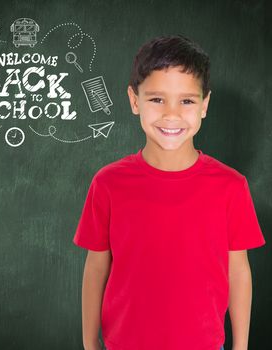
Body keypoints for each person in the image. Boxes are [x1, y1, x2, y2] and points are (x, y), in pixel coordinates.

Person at [72, 34, 266, 350]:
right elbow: (96, 267)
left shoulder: (231, 186)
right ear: (135, 101)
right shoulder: (108, 183)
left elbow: (238, 271)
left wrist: (241, 346)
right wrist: (89, 343)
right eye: (157, 99)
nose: (171, 114)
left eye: (186, 100)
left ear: (204, 105)